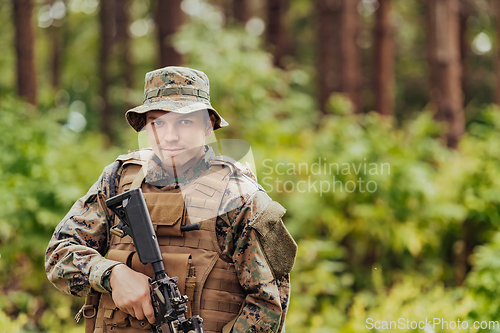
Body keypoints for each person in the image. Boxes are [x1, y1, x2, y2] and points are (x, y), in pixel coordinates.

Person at [45, 66, 297, 333]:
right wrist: (112, 275)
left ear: (208, 125)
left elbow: (268, 305)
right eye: (158, 122)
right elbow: (58, 254)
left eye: (184, 121)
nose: (169, 136)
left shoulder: (240, 197)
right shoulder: (118, 179)